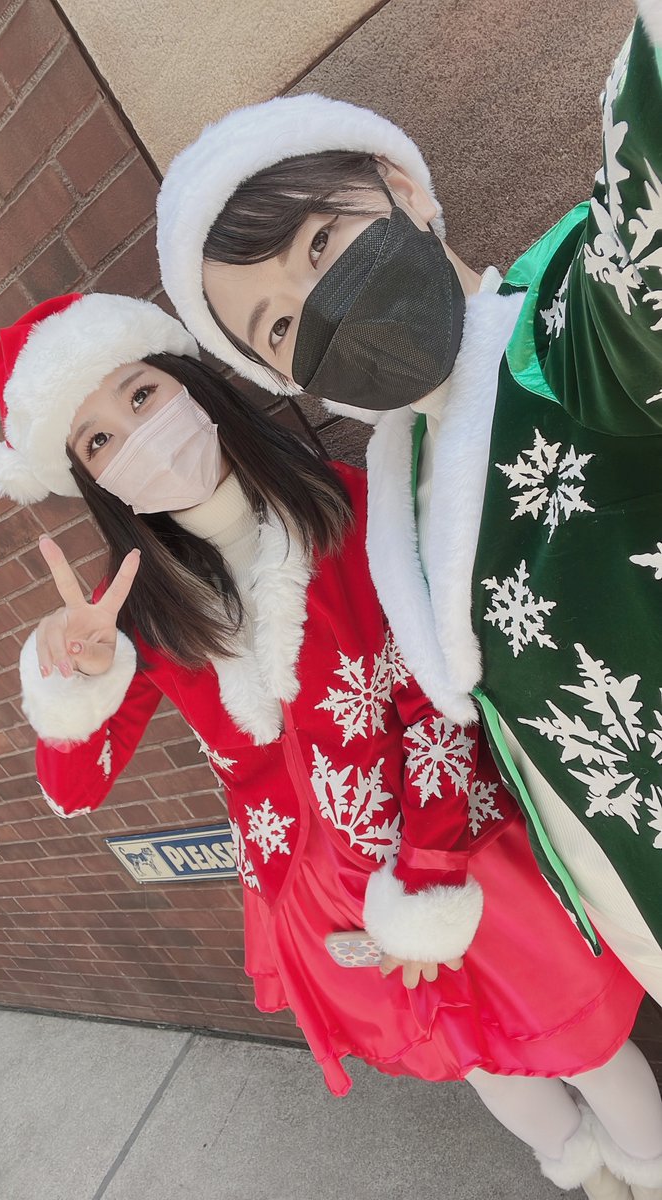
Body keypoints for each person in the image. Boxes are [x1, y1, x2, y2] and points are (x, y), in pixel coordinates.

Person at [0, 295, 659, 1200]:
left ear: (189, 384)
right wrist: (72, 680)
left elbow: (433, 699)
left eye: (140, 394)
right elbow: (75, 790)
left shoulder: (348, 503)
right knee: (476, 1062)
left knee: (581, 1043)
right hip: (319, 899)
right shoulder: (138, 611)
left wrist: (425, 881)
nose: (134, 436)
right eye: (97, 440)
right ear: (91, 480)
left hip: (458, 854)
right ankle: (578, 1171)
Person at [155, 3, 662, 1044]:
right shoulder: (401, 491)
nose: (320, 303)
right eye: (280, 326)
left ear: (402, 188)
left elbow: (636, 265)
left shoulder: (558, 331)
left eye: (322, 242)